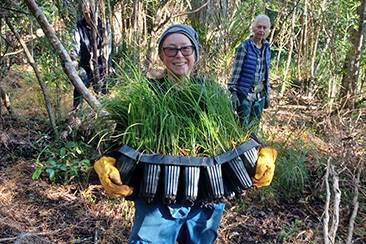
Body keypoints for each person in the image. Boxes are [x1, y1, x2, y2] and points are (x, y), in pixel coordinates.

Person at [93, 24, 276, 244]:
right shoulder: (146, 92)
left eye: (186, 49)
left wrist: (262, 151)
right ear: (161, 55)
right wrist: (106, 160)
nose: (179, 55)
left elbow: (237, 132)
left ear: (195, 54)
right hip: (155, 200)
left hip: (205, 197)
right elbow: (122, 136)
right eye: (171, 49)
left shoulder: (211, 92)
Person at [228, 14, 271, 134]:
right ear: (253, 28)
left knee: (254, 127)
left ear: (268, 31)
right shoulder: (244, 47)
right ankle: (240, 151)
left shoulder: (267, 48)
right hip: (245, 94)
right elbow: (236, 72)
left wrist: (267, 93)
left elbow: (266, 72)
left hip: (260, 96)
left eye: (264, 28)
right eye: (259, 27)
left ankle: (253, 151)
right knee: (242, 127)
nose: (261, 30)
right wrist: (233, 93)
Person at [70, 1, 111, 110]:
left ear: (96, 11)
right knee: (80, 85)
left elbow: (109, 47)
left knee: (102, 91)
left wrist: (100, 52)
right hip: (85, 62)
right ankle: (76, 111)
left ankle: (102, 113)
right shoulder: (79, 25)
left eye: (90, 13)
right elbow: (75, 42)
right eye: (86, 13)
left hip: (102, 63)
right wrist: (74, 59)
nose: (88, 16)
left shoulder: (104, 26)